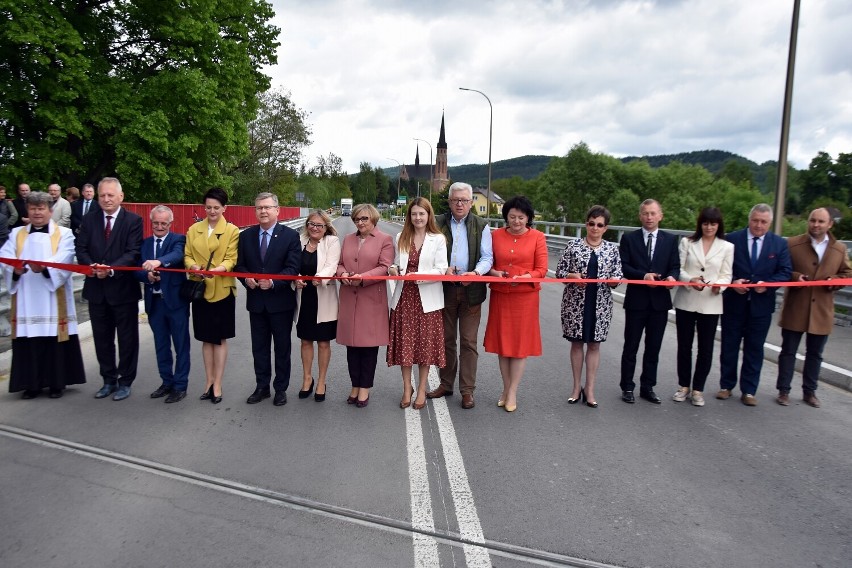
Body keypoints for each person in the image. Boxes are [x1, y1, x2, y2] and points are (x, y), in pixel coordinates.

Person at [1, 191, 85, 398]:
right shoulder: (17, 234)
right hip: (26, 295)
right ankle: (32, 385)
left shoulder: (63, 233)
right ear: (27, 210)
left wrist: (46, 269)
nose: (37, 212)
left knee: (53, 339)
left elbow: (65, 257)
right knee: (29, 341)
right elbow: (6, 256)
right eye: (33, 208)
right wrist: (15, 269)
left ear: (50, 210)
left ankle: (57, 384)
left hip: (52, 296)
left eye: (41, 208)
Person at [776, 207, 852, 408]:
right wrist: (795, 277)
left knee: (815, 354)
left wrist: (833, 280)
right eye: (812, 220)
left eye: (820, 221)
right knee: (788, 351)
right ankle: (784, 390)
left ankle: (810, 392)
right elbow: (782, 269)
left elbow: (846, 274)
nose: (816, 225)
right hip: (796, 307)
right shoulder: (792, 243)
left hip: (822, 310)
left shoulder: (839, 249)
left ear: (830, 224)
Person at [75, 177, 143, 401]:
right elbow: (81, 248)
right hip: (96, 289)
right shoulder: (89, 219)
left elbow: (133, 252)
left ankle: (125, 381)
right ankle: (108, 380)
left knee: (127, 339)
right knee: (102, 339)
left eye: (110, 195)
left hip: (123, 290)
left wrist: (111, 269)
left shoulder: (133, 220)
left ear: (120, 197)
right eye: (102, 195)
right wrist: (93, 267)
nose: (106, 199)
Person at [427, 182, 493, 409]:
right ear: (449, 201)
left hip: (471, 290)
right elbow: (429, 252)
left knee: (468, 341)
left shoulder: (481, 225)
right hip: (443, 288)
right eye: (455, 200)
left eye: (464, 200)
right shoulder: (436, 222)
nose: (460, 204)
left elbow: (487, 257)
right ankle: (446, 384)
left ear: (471, 202)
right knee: (446, 340)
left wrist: (475, 273)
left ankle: (467, 391)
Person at [718, 203, 791, 406]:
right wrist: (733, 282)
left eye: (763, 222)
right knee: (729, 345)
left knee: (754, 349)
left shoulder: (779, 244)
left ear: (770, 223)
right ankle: (726, 386)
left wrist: (768, 285)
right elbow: (722, 267)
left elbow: (785, 271)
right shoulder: (732, 239)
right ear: (749, 219)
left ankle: (749, 390)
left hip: (761, 306)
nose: (759, 225)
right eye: (755, 220)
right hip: (734, 304)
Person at [235, 192, 301, 407]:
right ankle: (262, 387)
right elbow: (240, 267)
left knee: (282, 348)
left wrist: (273, 282)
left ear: (277, 210)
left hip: (280, 302)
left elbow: (292, 269)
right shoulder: (245, 236)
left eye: (267, 207)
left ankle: (280, 388)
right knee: (259, 348)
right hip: (256, 302)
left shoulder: (290, 236)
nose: (263, 211)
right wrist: (248, 281)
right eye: (259, 208)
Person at [484, 195, 548, 413]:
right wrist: (494, 272)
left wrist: (527, 276)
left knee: (519, 347)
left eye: (521, 217)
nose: (516, 221)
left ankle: (512, 391)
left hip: (525, 298)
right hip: (501, 295)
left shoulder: (538, 237)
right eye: (512, 217)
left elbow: (542, 269)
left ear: (528, 218)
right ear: (506, 217)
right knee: (503, 345)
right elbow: (488, 263)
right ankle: (505, 388)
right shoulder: (495, 235)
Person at [555, 205, 622, 408]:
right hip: (575, 304)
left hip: (600, 305)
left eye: (599, 225)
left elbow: (618, 275)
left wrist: (613, 281)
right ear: (586, 224)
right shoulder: (573, 245)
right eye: (591, 223)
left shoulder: (612, 249)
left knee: (594, 345)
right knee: (577, 344)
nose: (594, 228)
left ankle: (590, 389)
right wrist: (572, 276)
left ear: (605, 228)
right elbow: (560, 272)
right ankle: (576, 387)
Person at [387, 198, 448, 410]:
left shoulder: (438, 239)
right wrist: (393, 269)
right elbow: (396, 262)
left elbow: (442, 269)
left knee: (425, 348)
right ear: (409, 216)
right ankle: (407, 388)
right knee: (405, 347)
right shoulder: (400, 237)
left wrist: (419, 275)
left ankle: (421, 389)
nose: (418, 218)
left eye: (422, 214)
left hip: (427, 300)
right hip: (404, 298)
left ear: (428, 215)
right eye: (414, 214)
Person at [618, 199, 680, 404]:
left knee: (653, 348)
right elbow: (624, 267)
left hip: (660, 303)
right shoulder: (629, 238)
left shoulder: (671, 240)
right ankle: (627, 386)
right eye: (645, 213)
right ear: (640, 216)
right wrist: (643, 276)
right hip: (637, 301)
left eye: (653, 213)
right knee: (631, 346)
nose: (649, 217)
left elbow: (675, 266)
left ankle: (648, 386)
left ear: (660, 215)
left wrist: (672, 278)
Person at [672, 207, 734, 407]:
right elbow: (678, 268)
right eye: (706, 223)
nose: (709, 227)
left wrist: (720, 287)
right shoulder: (687, 242)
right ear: (700, 224)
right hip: (687, 300)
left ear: (719, 226)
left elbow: (727, 275)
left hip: (711, 303)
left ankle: (698, 389)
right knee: (684, 346)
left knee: (705, 349)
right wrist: (691, 279)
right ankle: (683, 386)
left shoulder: (727, 247)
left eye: (713, 224)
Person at [185, 187, 239, 404]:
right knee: (205, 338)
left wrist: (218, 270)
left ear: (224, 208)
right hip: (200, 289)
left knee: (219, 338)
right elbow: (187, 255)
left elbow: (231, 259)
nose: (212, 211)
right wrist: (193, 266)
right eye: (208, 207)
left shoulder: (232, 231)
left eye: (216, 207)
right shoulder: (193, 229)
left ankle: (218, 383)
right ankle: (208, 381)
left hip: (222, 289)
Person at [336, 203, 394, 408]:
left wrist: (363, 277)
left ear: (373, 219)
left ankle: (364, 388)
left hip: (371, 298)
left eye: (364, 219)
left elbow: (385, 267)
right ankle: (354, 385)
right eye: (356, 219)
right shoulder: (348, 239)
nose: (360, 223)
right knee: (351, 346)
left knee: (368, 347)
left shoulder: (385, 240)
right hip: (349, 298)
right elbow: (340, 262)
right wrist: (342, 273)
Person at [135, 205, 191, 403]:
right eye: (156, 223)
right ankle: (166, 381)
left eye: (163, 223)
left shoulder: (178, 239)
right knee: (161, 345)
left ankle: (180, 385)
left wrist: (158, 262)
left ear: (170, 223)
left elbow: (177, 255)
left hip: (176, 303)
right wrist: (147, 275)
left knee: (181, 345)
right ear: (151, 223)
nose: (159, 226)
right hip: (154, 302)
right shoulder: (145, 243)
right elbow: (136, 268)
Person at [294, 209, 340, 402]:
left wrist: (319, 278)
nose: (314, 228)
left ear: (326, 227)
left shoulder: (332, 242)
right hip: (304, 297)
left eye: (319, 225)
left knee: (323, 343)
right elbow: (291, 265)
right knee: (305, 341)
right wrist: (294, 279)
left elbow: (331, 265)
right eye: (311, 224)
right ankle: (307, 378)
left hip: (324, 296)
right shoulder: (299, 241)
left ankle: (321, 381)